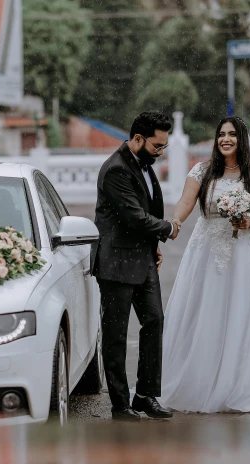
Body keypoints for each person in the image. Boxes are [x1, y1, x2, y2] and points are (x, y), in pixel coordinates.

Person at [159, 116, 250, 413]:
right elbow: (187, 201)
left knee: (242, 316)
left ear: (242, 139)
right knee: (204, 313)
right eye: (221, 134)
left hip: (247, 253)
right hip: (207, 250)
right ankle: (198, 381)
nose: (226, 139)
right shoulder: (203, 171)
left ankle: (236, 385)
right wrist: (176, 222)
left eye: (232, 134)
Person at [90, 111, 181, 422]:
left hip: (142, 261)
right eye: (157, 146)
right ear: (138, 139)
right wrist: (167, 229)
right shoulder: (115, 170)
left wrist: (154, 248)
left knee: (154, 322)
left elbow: (147, 208)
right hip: (115, 265)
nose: (160, 152)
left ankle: (144, 396)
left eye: (164, 147)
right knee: (115, 335)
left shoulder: (145, 164)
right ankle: (120, 405)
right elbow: (133, 217)